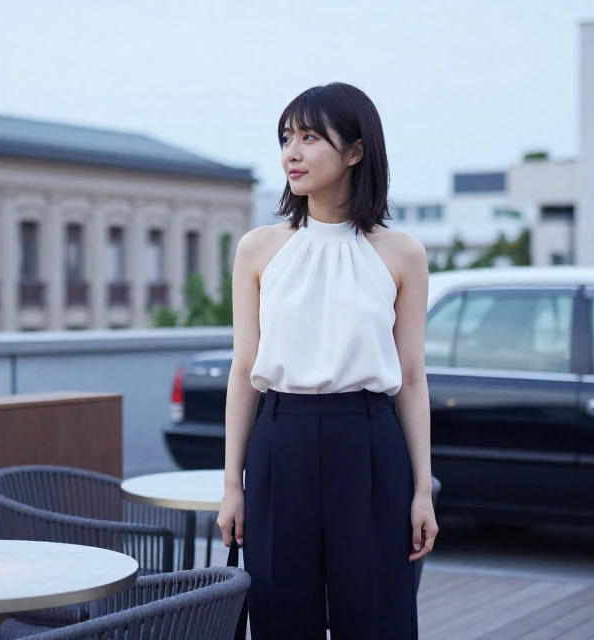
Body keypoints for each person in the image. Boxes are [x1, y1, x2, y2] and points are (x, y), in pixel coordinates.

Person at [217, 82, 438, 639]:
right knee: (281, 618)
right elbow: (243, 370)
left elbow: (411, 378)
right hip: (279, 440)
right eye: (286, 137)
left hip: (368, 443)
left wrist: (420, 491)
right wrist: (231, 485)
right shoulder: (259, 248)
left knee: (376, 618)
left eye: (310, 137)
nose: (292, 151)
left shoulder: (402, 253)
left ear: (356, 152)